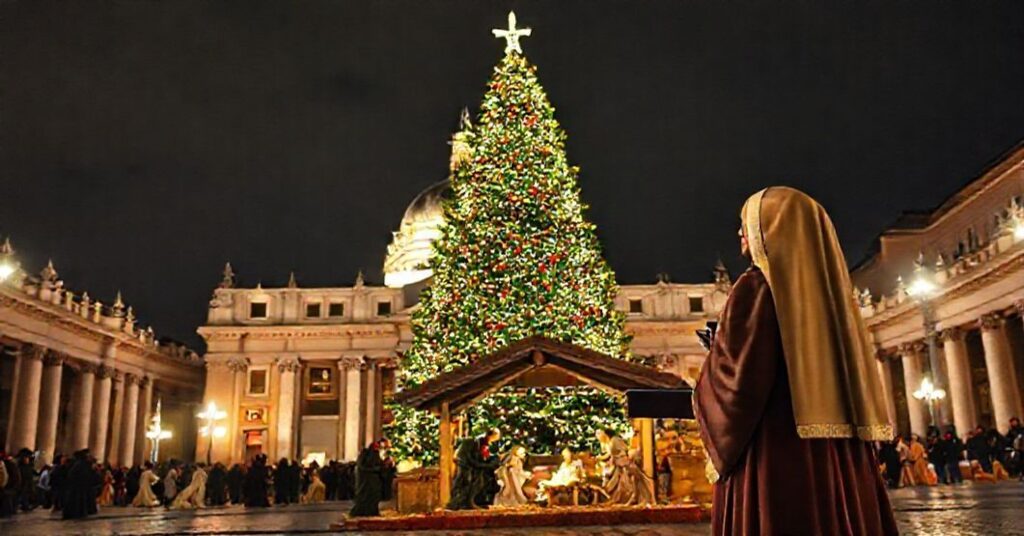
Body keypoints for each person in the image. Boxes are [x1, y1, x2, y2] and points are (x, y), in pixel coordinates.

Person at [694, 187, 897, 535]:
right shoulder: (834, 301)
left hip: (775, 451)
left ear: (774, 228)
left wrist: (715, 357)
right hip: (838, 457)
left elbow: (738, 382)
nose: (741, 232)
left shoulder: (757, 286)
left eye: (748, 222)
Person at [447, 429, 501, 510]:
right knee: (467, 482)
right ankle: (457, 504)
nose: (493, 441)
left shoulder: (483, 443)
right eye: (494, 438)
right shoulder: (476, 441)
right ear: (490, 436)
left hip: (472, 465)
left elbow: (482, 456)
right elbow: (471, 458)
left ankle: (473, 502)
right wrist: (483, 465)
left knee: (481, 481)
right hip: (465, 464)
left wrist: (490, 461)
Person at [350, 440, 386, 517]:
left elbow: (380, 465)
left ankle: (373, 511)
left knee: (374, 496)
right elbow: (362, 466)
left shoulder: (376, 455)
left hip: (374, 480)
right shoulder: (365, 454)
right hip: (365, 480)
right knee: (364, 496)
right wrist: (375, 469)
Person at [62, 450, 99, 520]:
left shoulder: (81, 464)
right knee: (77, 501)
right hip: (78, 487)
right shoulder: (80, 464)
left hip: (80, 487)